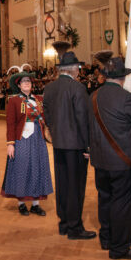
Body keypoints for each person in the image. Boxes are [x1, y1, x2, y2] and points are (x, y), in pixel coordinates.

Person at [88, 55, 131, 260]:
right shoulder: (129, 99)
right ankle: (119, 248)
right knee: (122, 203)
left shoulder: (92, 96)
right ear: (123, 78)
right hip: (122, 162)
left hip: (100, 160)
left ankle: (107, 239)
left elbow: (89, 127)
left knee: (105, 198)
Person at [43, 51, 96, 239]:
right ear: (74, 70)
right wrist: (89, 146)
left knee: (63, 184)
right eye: (78, 69)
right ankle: (75, 227)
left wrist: (54, 131)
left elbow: (46, 114)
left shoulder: (49, 88)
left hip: (59, 144)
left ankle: (64, 223)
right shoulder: (78, 88)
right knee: (76, 186)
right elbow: (83, 119)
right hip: (76, 146)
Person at [1, 69, 53, 216]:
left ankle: (36, 204)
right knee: (22, 169)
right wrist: (10, 143)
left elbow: (46, 117)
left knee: (37, 168)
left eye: (29, 81)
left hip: (37, 138)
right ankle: (21, 203)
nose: (27, 83)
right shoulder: (14, 101)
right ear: (19, 85)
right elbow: (10, 123)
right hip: (21, 139)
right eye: (24, 81)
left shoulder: (39, 100)